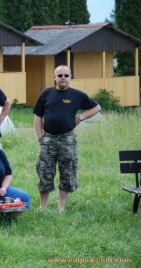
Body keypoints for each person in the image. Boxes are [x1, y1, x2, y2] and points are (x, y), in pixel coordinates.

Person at [34, 65, 101, 212]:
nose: (63, 78)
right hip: (48, 139)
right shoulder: (46, 93)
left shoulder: (77, 95)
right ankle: (43, 207)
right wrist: (40, 138)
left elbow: (97, 108)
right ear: (54, 77)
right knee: (44, 171)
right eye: (60, 75)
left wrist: (81, 117)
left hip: (67, 139)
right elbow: (38, 116)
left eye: (66, 75)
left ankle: (61, 207)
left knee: (67, 172)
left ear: (70, 77)